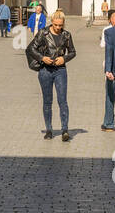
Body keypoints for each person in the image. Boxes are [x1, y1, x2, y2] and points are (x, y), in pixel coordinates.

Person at [26, 9, 77, 141]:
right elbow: (30, 48)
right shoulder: (43, 33)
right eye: (56, 25)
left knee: (62, 101)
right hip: (45, 71)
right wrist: (42, 58)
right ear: (52, 22)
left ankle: (65, 130)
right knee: (47, 101)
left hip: (60, 70)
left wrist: (64, 59)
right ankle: (49, 129)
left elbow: (72, 52)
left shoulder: (66, 35)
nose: (58, 28)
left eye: (61, 25)